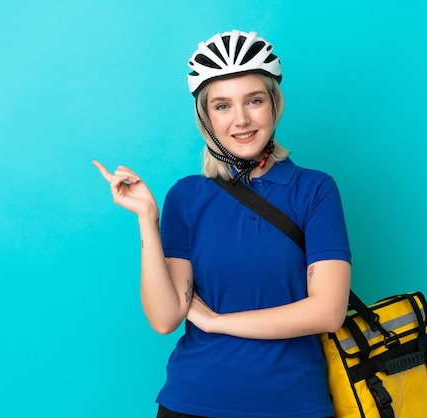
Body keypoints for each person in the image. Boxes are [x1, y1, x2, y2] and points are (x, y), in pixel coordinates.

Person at [93, 30, 352, 418]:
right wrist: (148, 219)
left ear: (274, 105)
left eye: (254, 100)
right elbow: (165, 318)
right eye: (223, 106)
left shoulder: (314, 190)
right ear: (206, 117)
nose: (242, 119)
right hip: (192, 402)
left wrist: (216, 322)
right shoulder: (186, 197)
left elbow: (328, 313)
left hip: (293, 405)